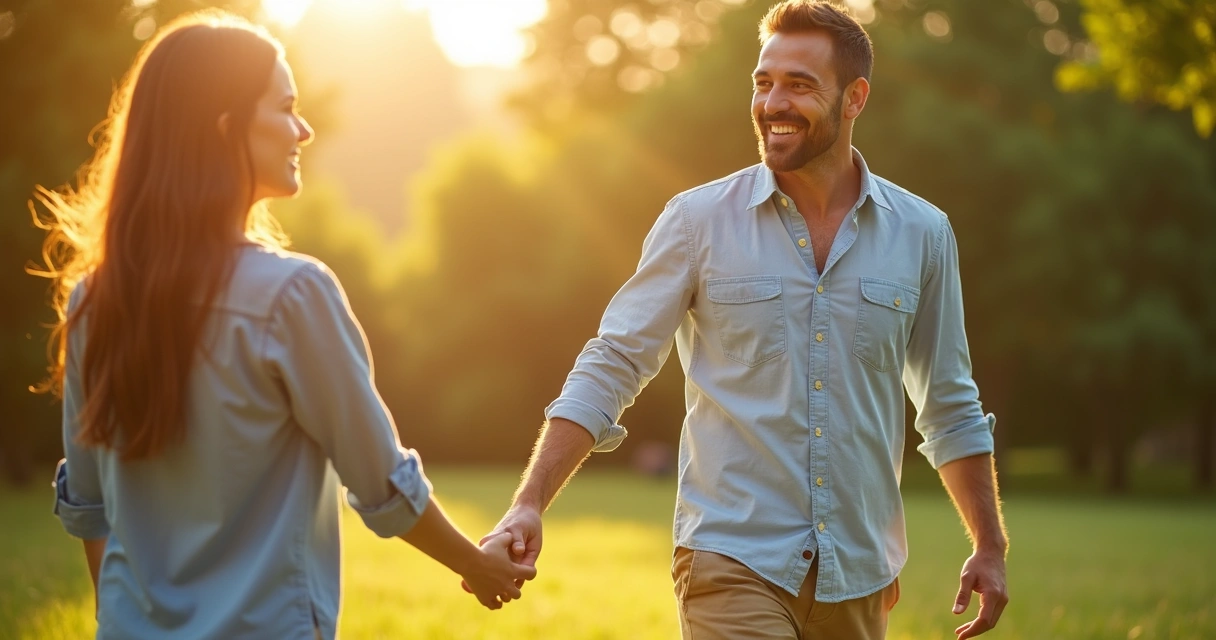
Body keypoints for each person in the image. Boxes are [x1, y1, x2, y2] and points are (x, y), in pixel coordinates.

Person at [484, 1, 1009, 638]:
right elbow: (613, 362)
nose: (772, 103)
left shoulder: (923, 234)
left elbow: (948, 400)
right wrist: (529, 500)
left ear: (855, 98)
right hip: (731, 561)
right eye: (763, 83)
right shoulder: (696, 222)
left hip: (861, 575)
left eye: (799, 85)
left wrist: (989, 544)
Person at [37, 11, 533, 639]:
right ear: (227, 131)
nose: (304, 129)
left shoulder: (92, 301)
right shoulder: (292, 295)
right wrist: (477, 565)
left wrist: (123, 619)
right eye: (285, 107)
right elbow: (380, 480)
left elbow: (88, 508)